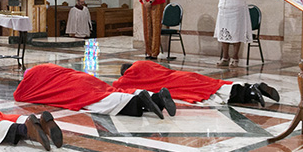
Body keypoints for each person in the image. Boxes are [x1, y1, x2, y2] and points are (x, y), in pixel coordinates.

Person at [13, 63, 176, 119]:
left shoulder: (34, 82)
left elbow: (19, 95)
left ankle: (139, 100)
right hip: (82, 77)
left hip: (75, 87)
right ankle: (157, 98)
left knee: (99, 101)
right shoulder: (48, 68)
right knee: (108, 90)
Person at [116, 60, 279, 107]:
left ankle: (249, 92)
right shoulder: (143, 63)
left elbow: (117, 86)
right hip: (180, 75)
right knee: (212, 82)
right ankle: (251, 87)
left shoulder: (130, 75)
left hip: (176, 83)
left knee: (209, 90)